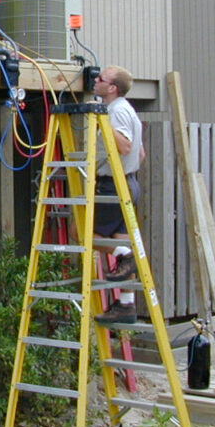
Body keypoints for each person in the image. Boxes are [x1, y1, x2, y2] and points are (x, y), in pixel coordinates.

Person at [91, 66, 145, 324]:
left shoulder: (116, 112)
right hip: (128, 182)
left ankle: (126, 255)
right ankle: (126, 305)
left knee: (81, 235)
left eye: (100, 79)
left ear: (112, 88)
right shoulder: (128, 110)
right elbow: (140, 154)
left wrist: (98, 118)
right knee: (120, 238)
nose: (95, 80)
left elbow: (124, 146)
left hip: (113, 185)